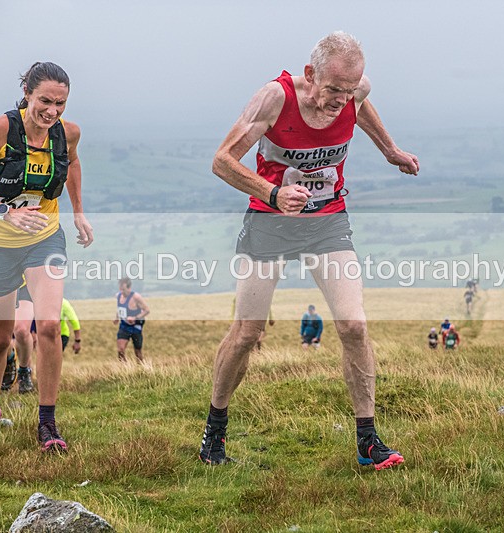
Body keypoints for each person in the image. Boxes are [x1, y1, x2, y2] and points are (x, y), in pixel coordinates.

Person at [199, 32, 419, 470]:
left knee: (354, 326)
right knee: (247, 333)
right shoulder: (274, 99)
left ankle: (367, 442)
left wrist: (390, 150)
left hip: (327, 221)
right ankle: (214, 432)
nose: (341, 101)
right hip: (270, 222)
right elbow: (222, 160)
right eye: (333, 90)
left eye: (349, 91)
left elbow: (362, 109)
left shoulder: (354, 94)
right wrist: (272, 191)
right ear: (310, 75)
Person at [0, 62, 93, 453]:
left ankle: (47, 423)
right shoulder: (0, 129)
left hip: (44, 239)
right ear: (27, 93)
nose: (52, 111)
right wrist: (4, 211)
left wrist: (78, 211)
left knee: (47, 326)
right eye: (45, 101)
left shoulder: (68, 133)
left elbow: (74, 162)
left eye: (60, 104)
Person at [113, 278, 150, 363]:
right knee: (120, 350)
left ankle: (141, 369)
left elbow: (147, 310)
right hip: (124, 326)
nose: (122, 292)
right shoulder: (118, 296)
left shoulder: (136, 297)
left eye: (124, 289)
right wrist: (117, 317)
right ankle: (125, 370)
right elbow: (120, 308)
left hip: (135, 327)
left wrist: (135, 317)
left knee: (138, 352)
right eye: (120, 289)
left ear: (129, 288)